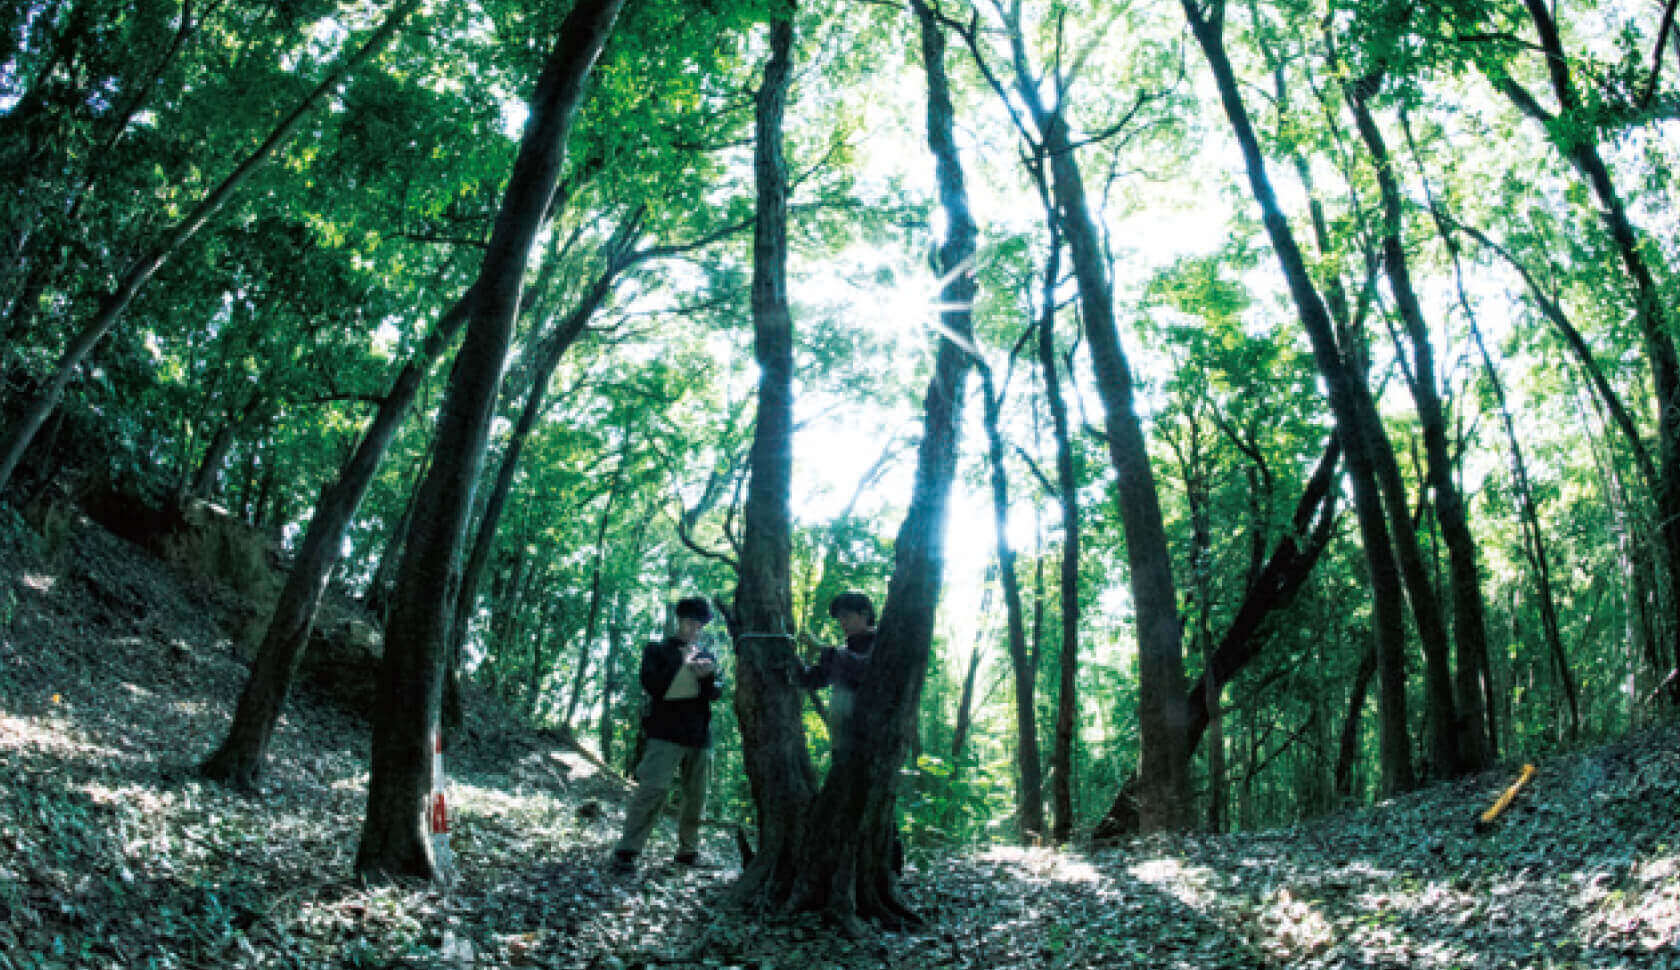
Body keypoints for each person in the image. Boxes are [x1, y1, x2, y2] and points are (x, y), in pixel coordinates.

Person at [611, 596, 724, 872]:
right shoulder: (657, 650)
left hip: (699, 736)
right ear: (678, 620)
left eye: (699, 625)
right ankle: (628, 850)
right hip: (665, 732)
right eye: (689, 622)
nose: (694, 629)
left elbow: (716, 693)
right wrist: (683, 667)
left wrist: (707, 675)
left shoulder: (706, 655)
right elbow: (653, 685)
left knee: (696, 797)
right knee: (652, 790)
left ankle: (688, 851)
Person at [800, 590, 876, 762]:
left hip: (870, 741)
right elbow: (815, 678)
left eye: (846, 616)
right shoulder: (842, 652)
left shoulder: (881, 643)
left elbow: (863, 669)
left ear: (864, 614)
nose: (842, 623)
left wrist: (821, 647)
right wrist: (793, 660)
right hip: (843, 748)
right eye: (839, 618)